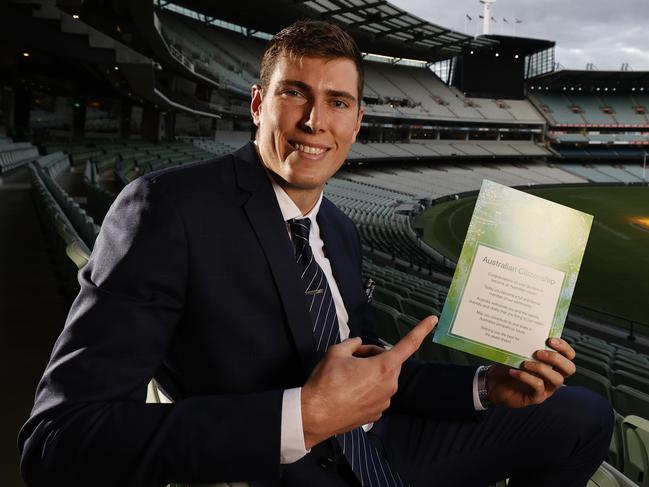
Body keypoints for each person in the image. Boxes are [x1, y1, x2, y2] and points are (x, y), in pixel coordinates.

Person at [19, 20, 613, 487]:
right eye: (295, 94)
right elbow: (59, 443)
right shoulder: (166, 208)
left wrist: (486, 387)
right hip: (283, 470)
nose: (313, 121)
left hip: (380, 448)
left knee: (583, 415)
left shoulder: (341, 229)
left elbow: (370, 370)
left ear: (357, 121)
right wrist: (301, 416)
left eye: (337, 102)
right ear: (257, 104)